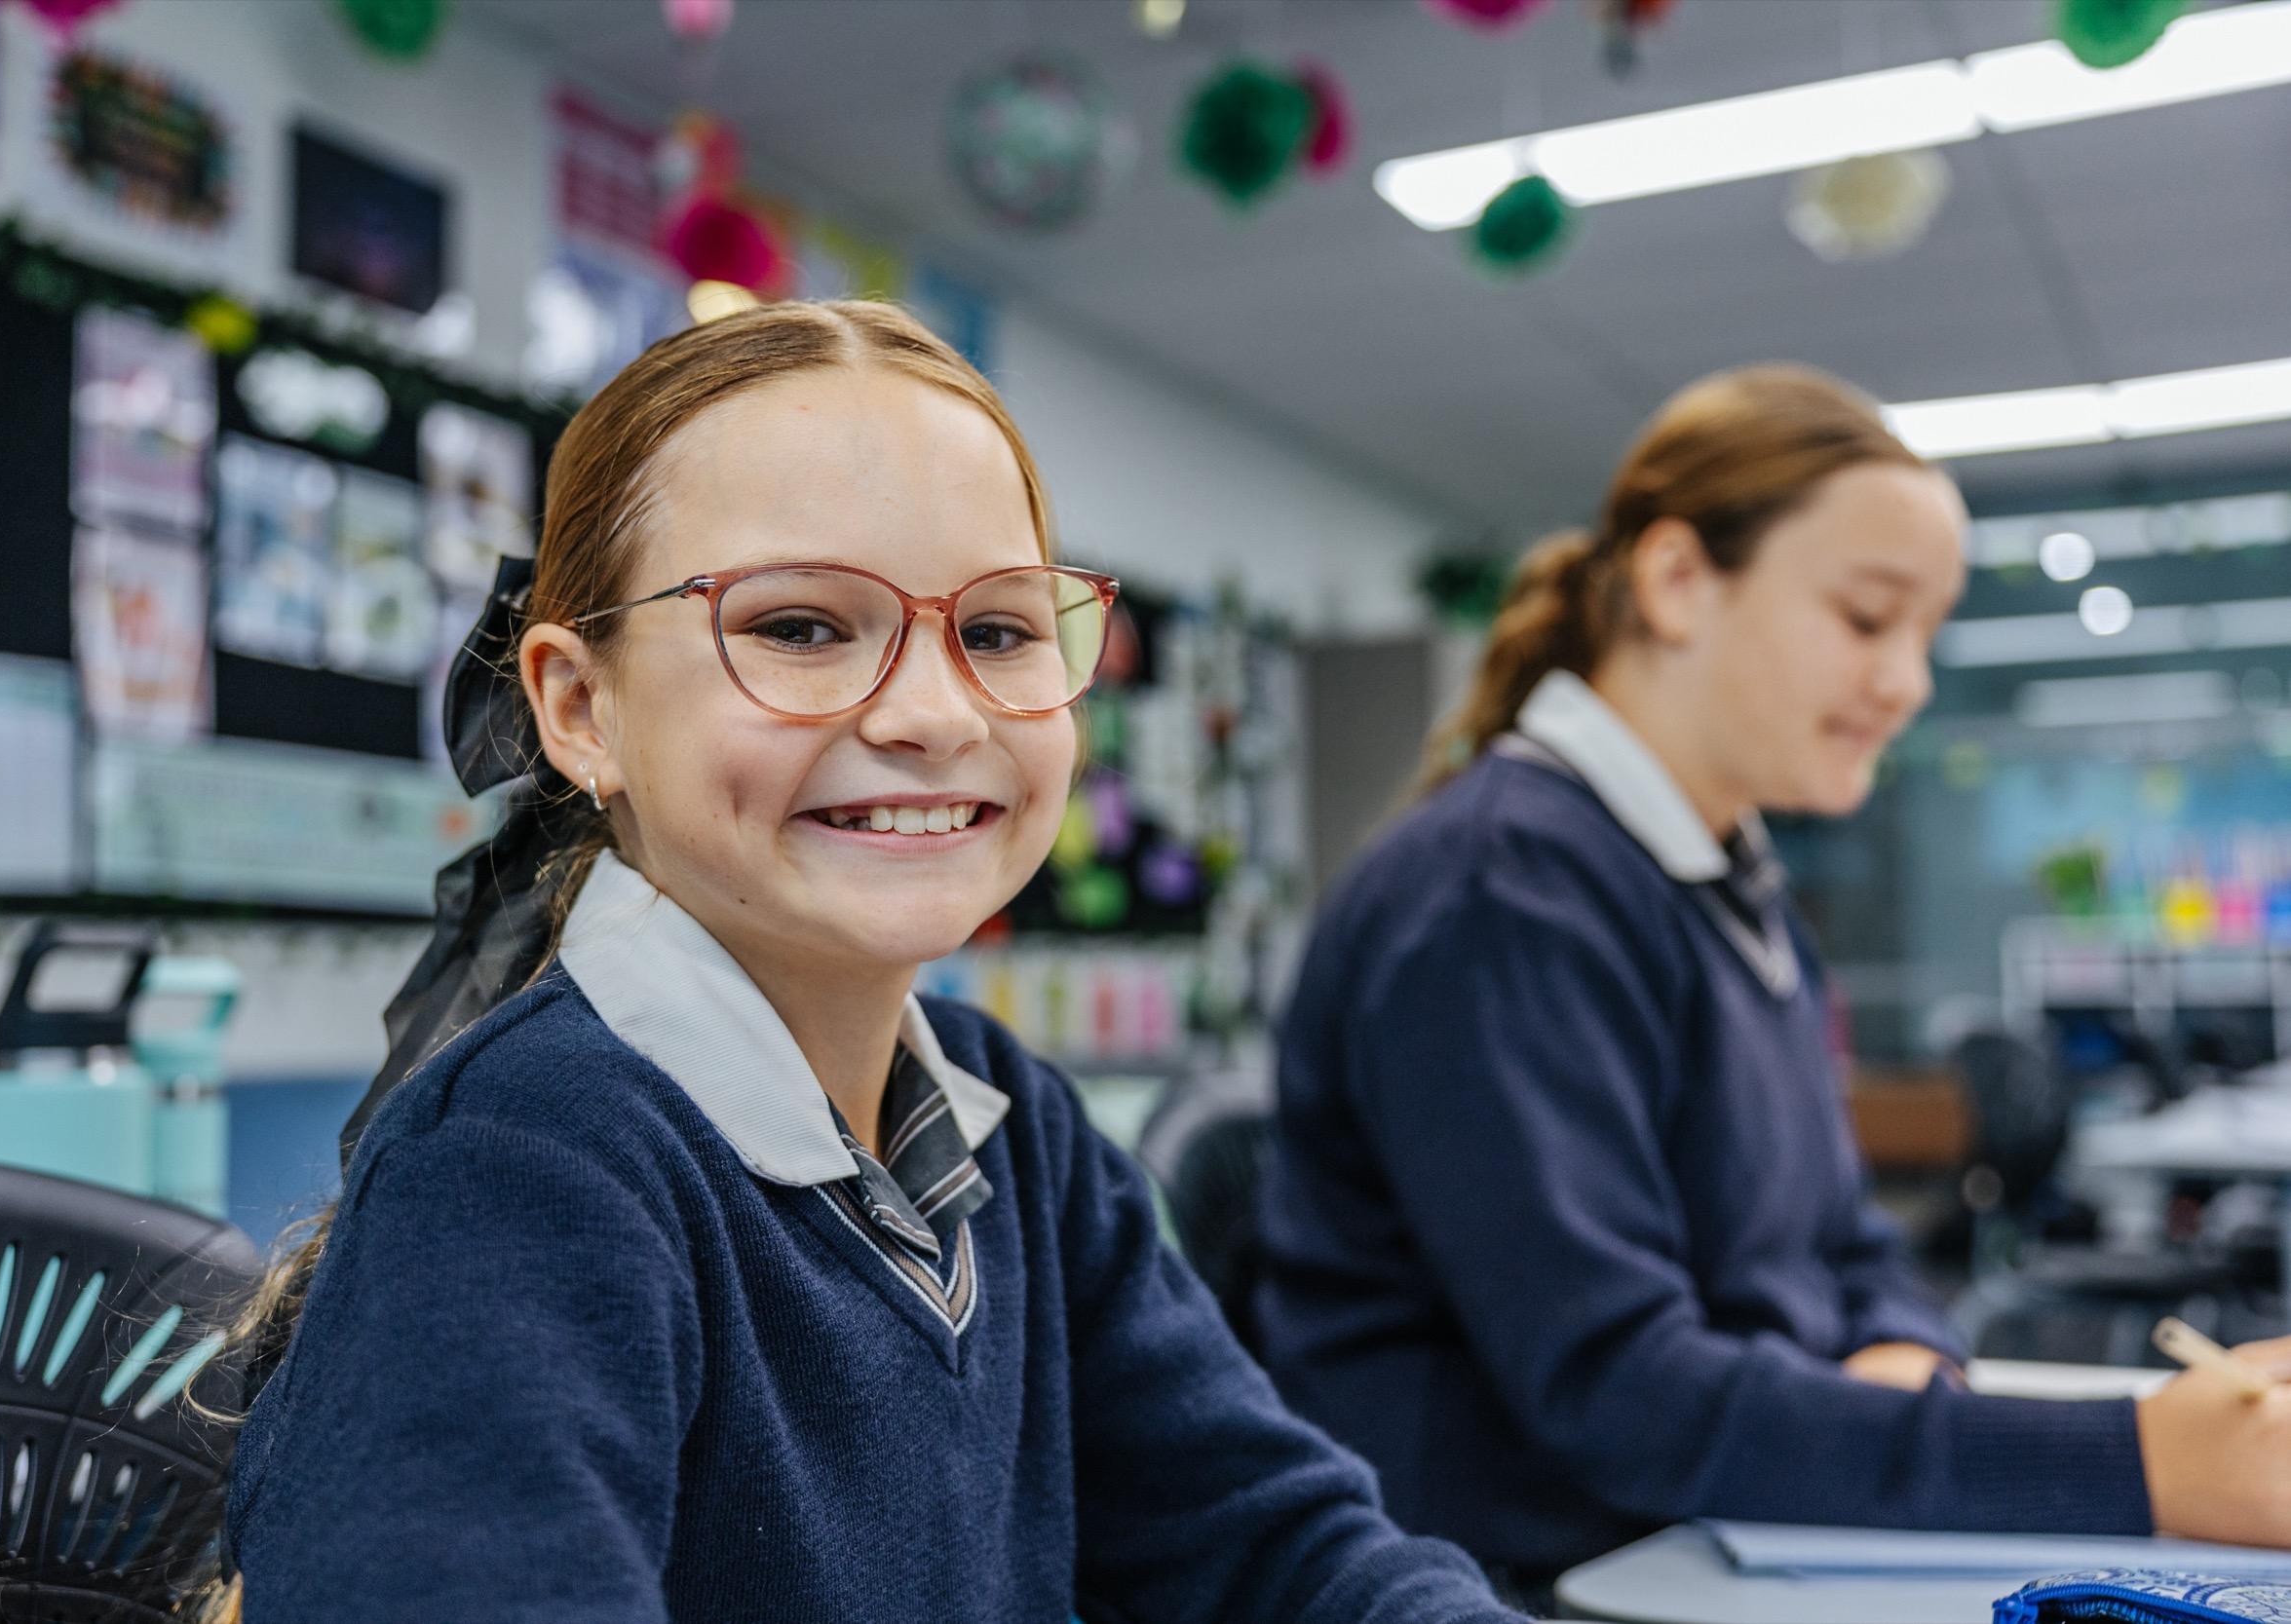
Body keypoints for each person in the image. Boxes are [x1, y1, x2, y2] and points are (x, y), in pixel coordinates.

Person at [206, 301, 1528, 1624]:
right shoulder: (517, 1168)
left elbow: (1279, 1546)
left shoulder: (1017, 1134)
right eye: (798, 627)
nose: (932, 713)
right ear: (578, 706)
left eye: (1001, 631)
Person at [1255, 364, 2291, 1595]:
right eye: (1865, 618)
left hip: (1702, 1539)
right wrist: (2135, 1462)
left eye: (1926, 635)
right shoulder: (1501, 892)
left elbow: (1841, 1239)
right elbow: (1619, 1387)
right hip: (1517, 1575)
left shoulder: (1729, 881)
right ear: (1679, 580)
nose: (1906, 681)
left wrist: (1903, 1353)